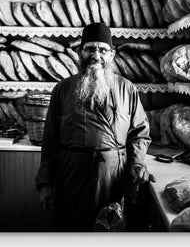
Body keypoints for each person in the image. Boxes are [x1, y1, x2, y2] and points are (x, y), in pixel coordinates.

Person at [35, 22, 151, 232]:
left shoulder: (127, 89)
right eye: (90, 49)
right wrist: (45, 183)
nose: (96, 55)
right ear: (80, 52)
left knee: (109, 234)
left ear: (112, 55)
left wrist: (137, 163)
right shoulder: (63, 89)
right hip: (71, 176)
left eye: (103, 49)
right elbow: (50, 141)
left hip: (113, 178)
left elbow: (139, 134)